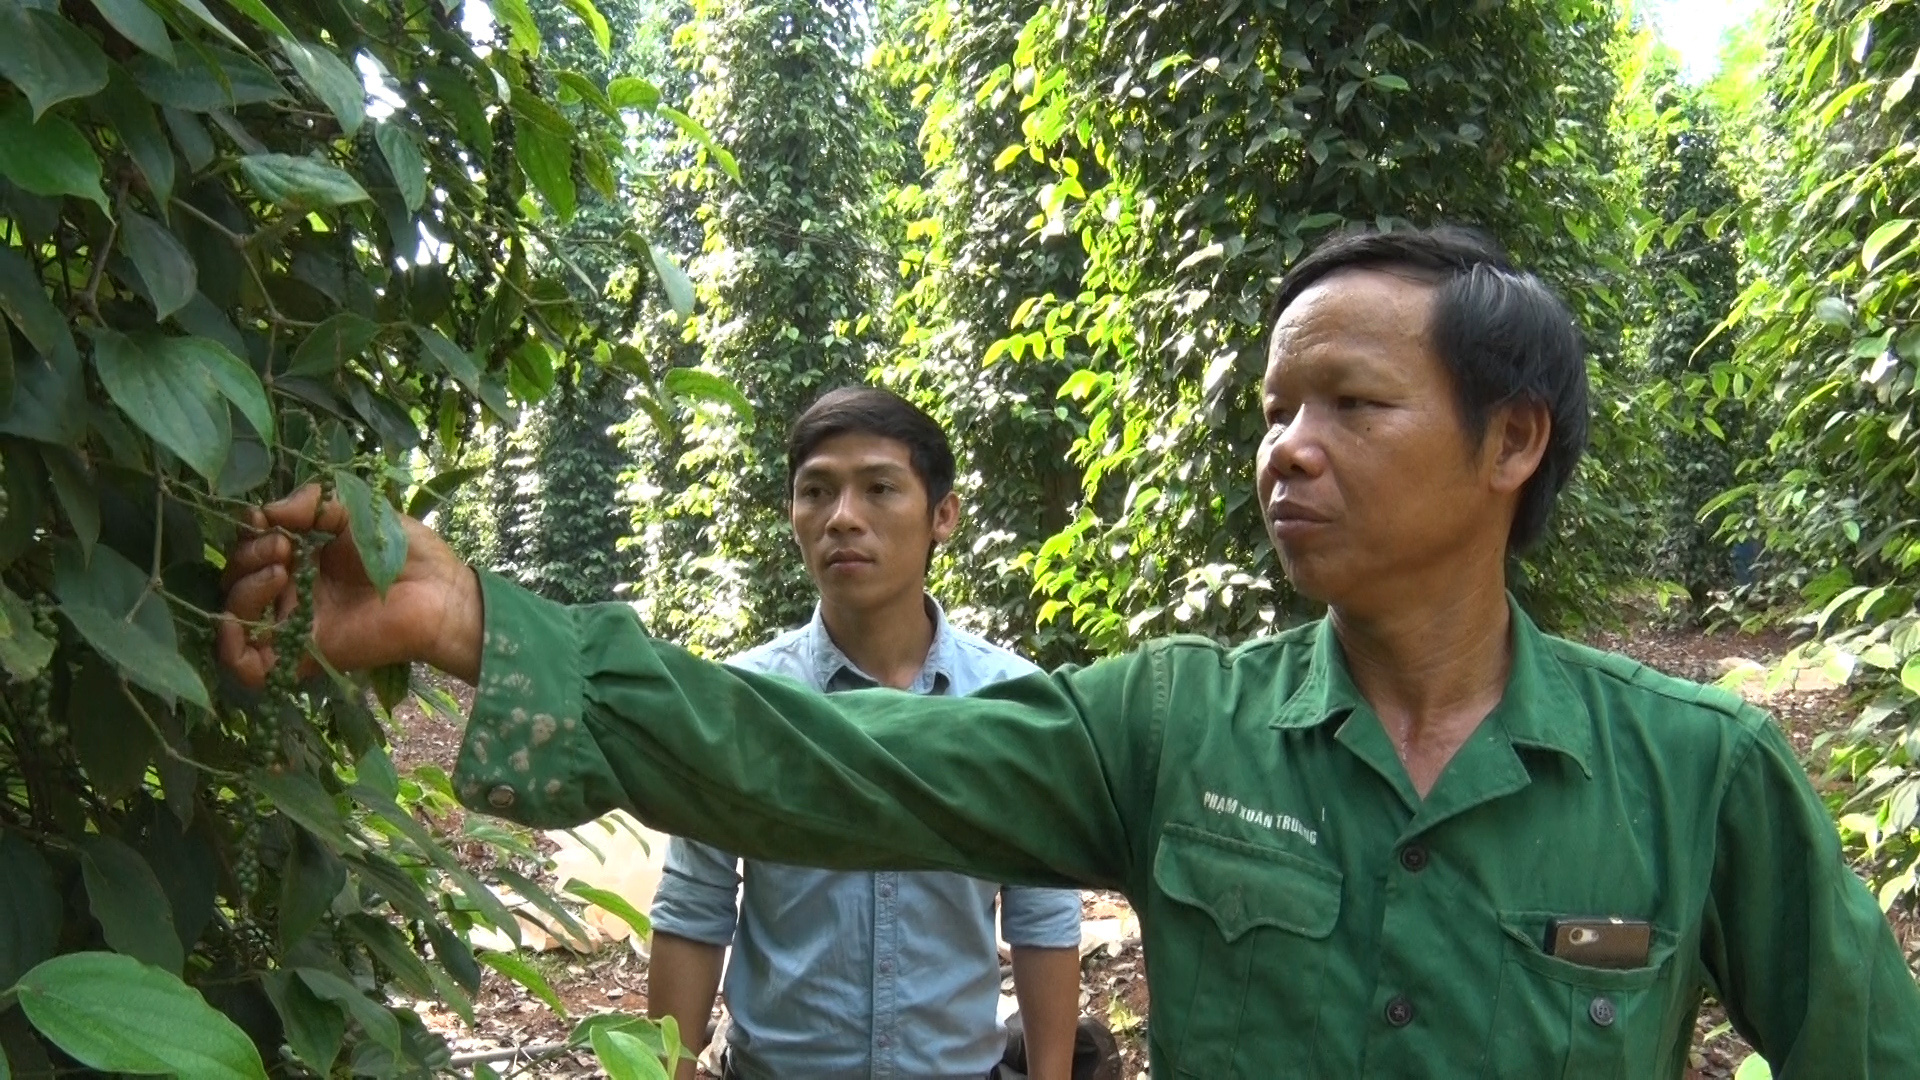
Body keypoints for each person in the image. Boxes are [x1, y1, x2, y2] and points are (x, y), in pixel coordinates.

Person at [219, 225, 1920, 1078]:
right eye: (1272, 409)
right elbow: (819, 759)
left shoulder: (1699, 775)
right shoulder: (1176, 727)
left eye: (1351, 404)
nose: (1287, 450)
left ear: (1511, 442)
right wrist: (478, 625)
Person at [642, 387, 1104, 1080]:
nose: (843, 518)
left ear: (942, 514)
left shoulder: (1010, 700)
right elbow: (694, 911)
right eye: (817, 492)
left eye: (880, 488)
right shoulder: (743, 702)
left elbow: (1042, 917)